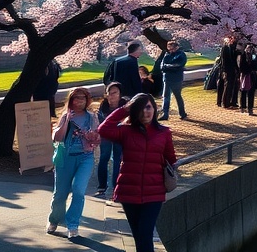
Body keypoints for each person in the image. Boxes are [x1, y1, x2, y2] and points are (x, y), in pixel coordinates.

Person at [99, 93, 176, 252]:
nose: (144, 112)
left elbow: (171, 159)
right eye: (139, 109)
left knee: (145, 232)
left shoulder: (164, 133)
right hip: (129, 191)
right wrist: (124, 109)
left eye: (148, 107)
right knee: (139, 236)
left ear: (154, 109)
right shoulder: (126, 131)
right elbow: (104, 129)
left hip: (154, 191)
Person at [46, 87, 100, 239]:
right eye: (76, 98)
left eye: (83, 98)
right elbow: (57, 137)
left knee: (78, 190)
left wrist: (93, 137)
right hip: (66, 157)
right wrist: (66, 121)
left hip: (85, 157)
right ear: (71, 100)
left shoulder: (92, 117)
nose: (80, 101)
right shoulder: (65, 115)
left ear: (87, 100)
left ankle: (73, 224)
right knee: (60, 195)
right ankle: (54, 219)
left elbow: (98, 138)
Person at [96, 82, 128, 197]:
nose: (111, 95)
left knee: (117, 160)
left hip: (119, 136)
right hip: (106, 136)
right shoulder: (103, 106)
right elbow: (100, 122)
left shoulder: (125, 106)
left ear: (120, 94)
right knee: (104, 158)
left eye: (115, 93)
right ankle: (102, 187)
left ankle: (116, 187)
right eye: (109, 93)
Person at [159, 39, 188, 121]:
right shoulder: (166, 54)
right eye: (169, 49)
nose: (171, 50)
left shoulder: (181, 55)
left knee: (178, 96)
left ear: (177, 47)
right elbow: (162, 66)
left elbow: (179, 65)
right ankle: (165, 114)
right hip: (167, 78)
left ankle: (182, 113)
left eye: (172, 48)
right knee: (166, 97)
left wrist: (167, 67)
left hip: (176, 79)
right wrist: (170, 66)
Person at [238, 43, 257, 115]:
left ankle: (250, 108)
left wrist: (256, 70)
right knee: (243, 91)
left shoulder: (254, 56)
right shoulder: (242, 56)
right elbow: (241, 67)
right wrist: (249, 70)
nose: (249, 49)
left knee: (251, 93)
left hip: (252, 76)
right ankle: (242, 107)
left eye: (251, 48)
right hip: (245, 76)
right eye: (248, 48)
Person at [217, 35, 240, 109]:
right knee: (228, 86)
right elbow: (225, 61)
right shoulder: (225, 48)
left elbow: (234, 58)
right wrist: (225, 71)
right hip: (227, 70)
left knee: (233, 86)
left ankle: (232, 102)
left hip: (231, 69)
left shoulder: (231, 48)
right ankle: (225, 103)